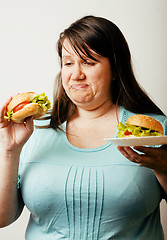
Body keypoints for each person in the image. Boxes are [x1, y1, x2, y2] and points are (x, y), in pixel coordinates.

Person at [0, 15, 167, 240]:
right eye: (68, 63)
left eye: (88, 62)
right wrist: (9, 150)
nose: (76, 74)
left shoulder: (154, 131)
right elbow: (3, 219)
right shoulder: (33, 129)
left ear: (116, 69)